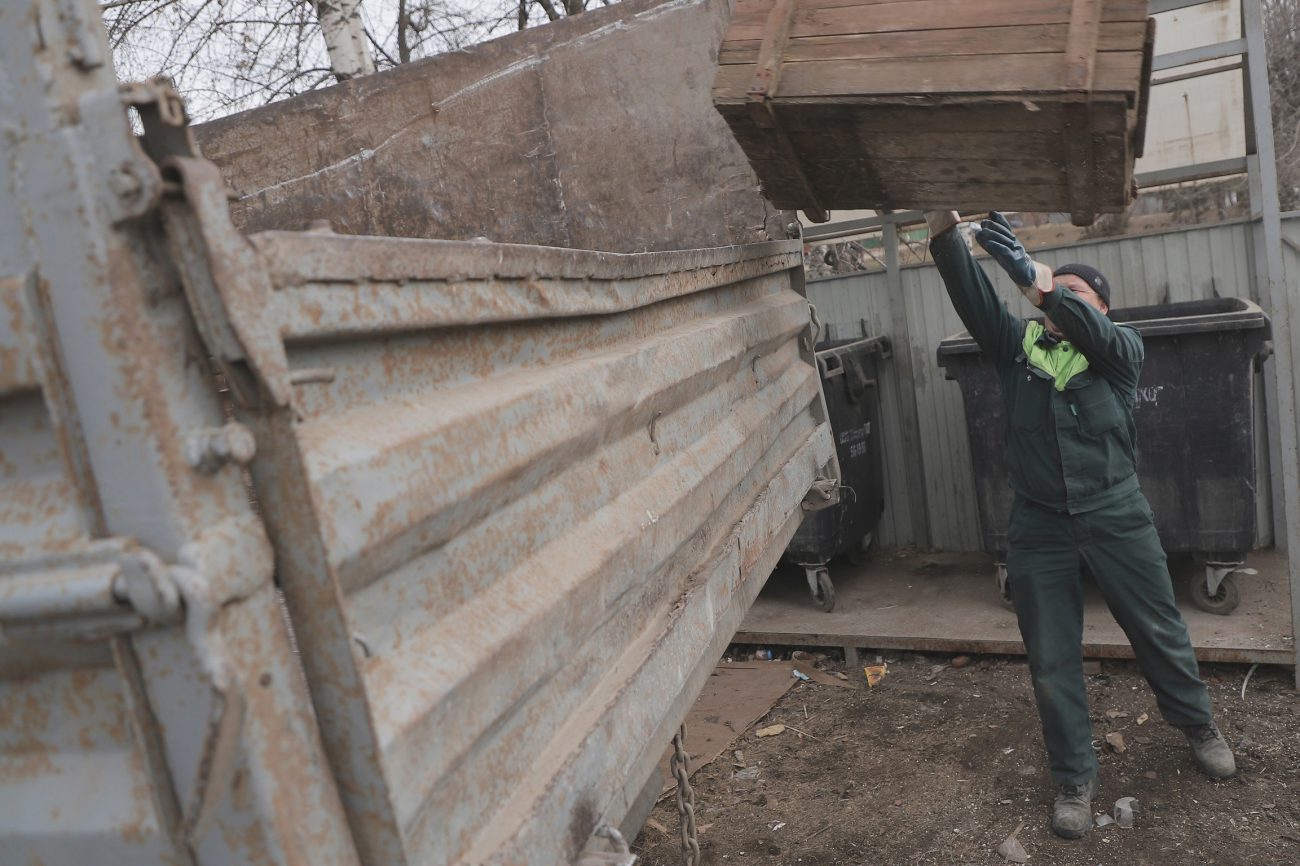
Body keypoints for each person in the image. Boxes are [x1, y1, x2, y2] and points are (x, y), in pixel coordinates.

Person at [925, 210, 1236, 839]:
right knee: (1051, 657)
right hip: (1038, 525)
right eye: (1056, 295)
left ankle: (1198, 724)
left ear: (1101, 309)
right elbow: (974, 295)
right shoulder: (1018, 353)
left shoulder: (1122, 354)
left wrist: (1041, 282)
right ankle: (1073, 778)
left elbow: (1087, 324)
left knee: (1158, 629)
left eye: (1079, 295)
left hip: (1117, 513)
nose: (1063, 301)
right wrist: (943, 232)